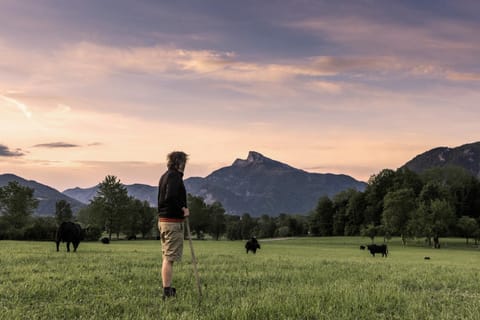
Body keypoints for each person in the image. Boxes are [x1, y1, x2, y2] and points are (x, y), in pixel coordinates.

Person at [157, 151, 190, 299]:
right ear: (179, 163)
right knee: (169, 258)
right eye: (184, 163)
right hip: (172, 222)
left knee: (167, 257)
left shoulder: (164, 176)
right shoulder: (175, 176)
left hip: (164, 221)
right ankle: (167, 292)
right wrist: (182, 209)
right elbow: (170, 197)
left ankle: (168, 289)